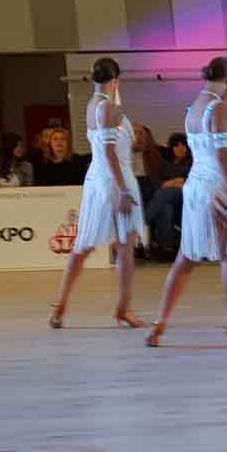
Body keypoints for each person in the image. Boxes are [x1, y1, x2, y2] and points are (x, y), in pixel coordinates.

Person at [148, 58, 227, 348]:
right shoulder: (218, 107)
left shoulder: (194, 106)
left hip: (196, 184)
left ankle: (160, 324)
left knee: (186, 257)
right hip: (218, 186)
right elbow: (223, 154)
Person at [50, 58, 148, 331]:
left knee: (85, 245)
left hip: (98, 178)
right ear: (115, 80)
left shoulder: (92, 104)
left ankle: (61, 305)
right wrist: (124, 190)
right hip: (114, 179)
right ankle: (124, 308)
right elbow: (109, 153)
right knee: (125, 244)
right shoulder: (108, 108)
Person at [144, 131, 193, 258]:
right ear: (171, 148)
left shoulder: (193, 162)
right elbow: (156, 182)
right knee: (166, 208)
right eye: (176, 146)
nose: (180, 149)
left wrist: (173, 182)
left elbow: (192, 182)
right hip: (168, 199)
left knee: (167, 192)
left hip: (186, 199)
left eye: (183, 145)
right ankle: (166, 247)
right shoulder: (164, 164)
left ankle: (142, 222)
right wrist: (177, 181)